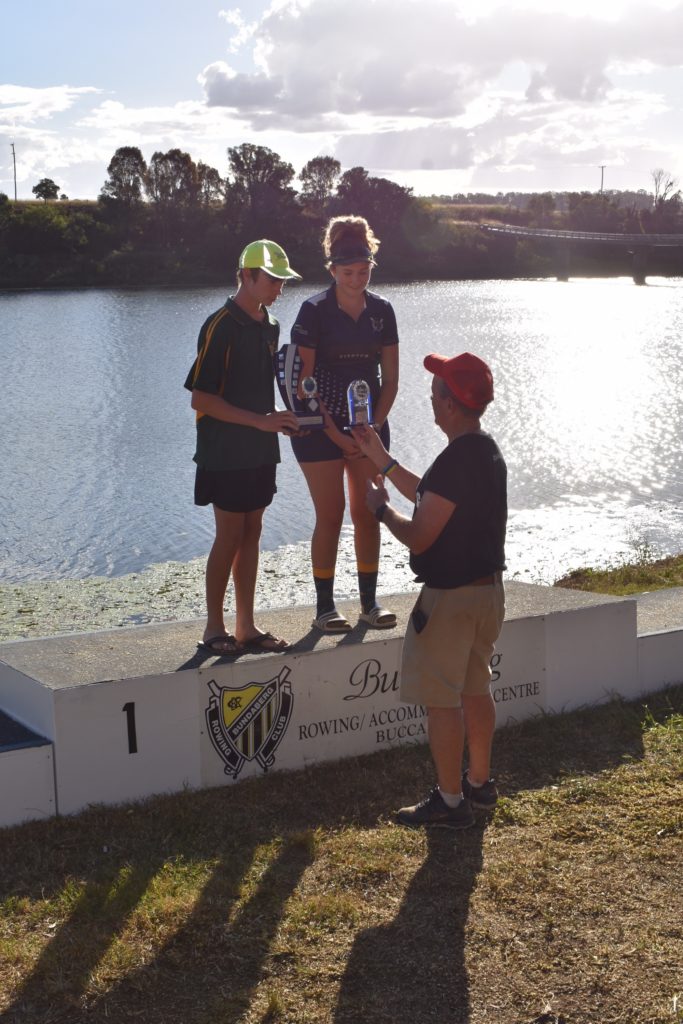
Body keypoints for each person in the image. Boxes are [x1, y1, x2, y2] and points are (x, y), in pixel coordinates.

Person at [353, 352, 507, 829]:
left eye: (437, 390)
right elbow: (433, 493)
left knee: (442, 701)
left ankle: (450, 800)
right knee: (476, 688)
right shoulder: (484, 450)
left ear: (452, 404)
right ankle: (479, 784)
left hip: (451, 601)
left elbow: (421, 533)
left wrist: (380, 509)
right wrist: (384, 459)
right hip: (487, 595)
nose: (430, 397)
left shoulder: (456, 460)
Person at [184, 240, 302, 655]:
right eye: (272, 280)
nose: (279, 289)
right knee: (229, 535)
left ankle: (246, 627)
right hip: (224, 452)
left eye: (283, 282)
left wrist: (279, 419)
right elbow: (202, 399)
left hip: (259, 448)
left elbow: (253, 392)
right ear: (246, 276)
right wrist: (261, 421)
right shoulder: (219, 326)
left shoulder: (270, 325)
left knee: (253, 532)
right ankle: (214, 629)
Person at [290, 215, 400, 633]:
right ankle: (324, 608)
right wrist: (335, 433)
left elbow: (390, 380)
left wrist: (372, 430)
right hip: (320, 429)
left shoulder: (383, 311)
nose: (357, 279)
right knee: (331, 514)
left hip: (369, 425)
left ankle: (370, 603)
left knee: (369, 511)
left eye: (365, 271)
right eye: (348, 272)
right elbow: (305, 381)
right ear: (333, 270)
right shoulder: (313, 310)